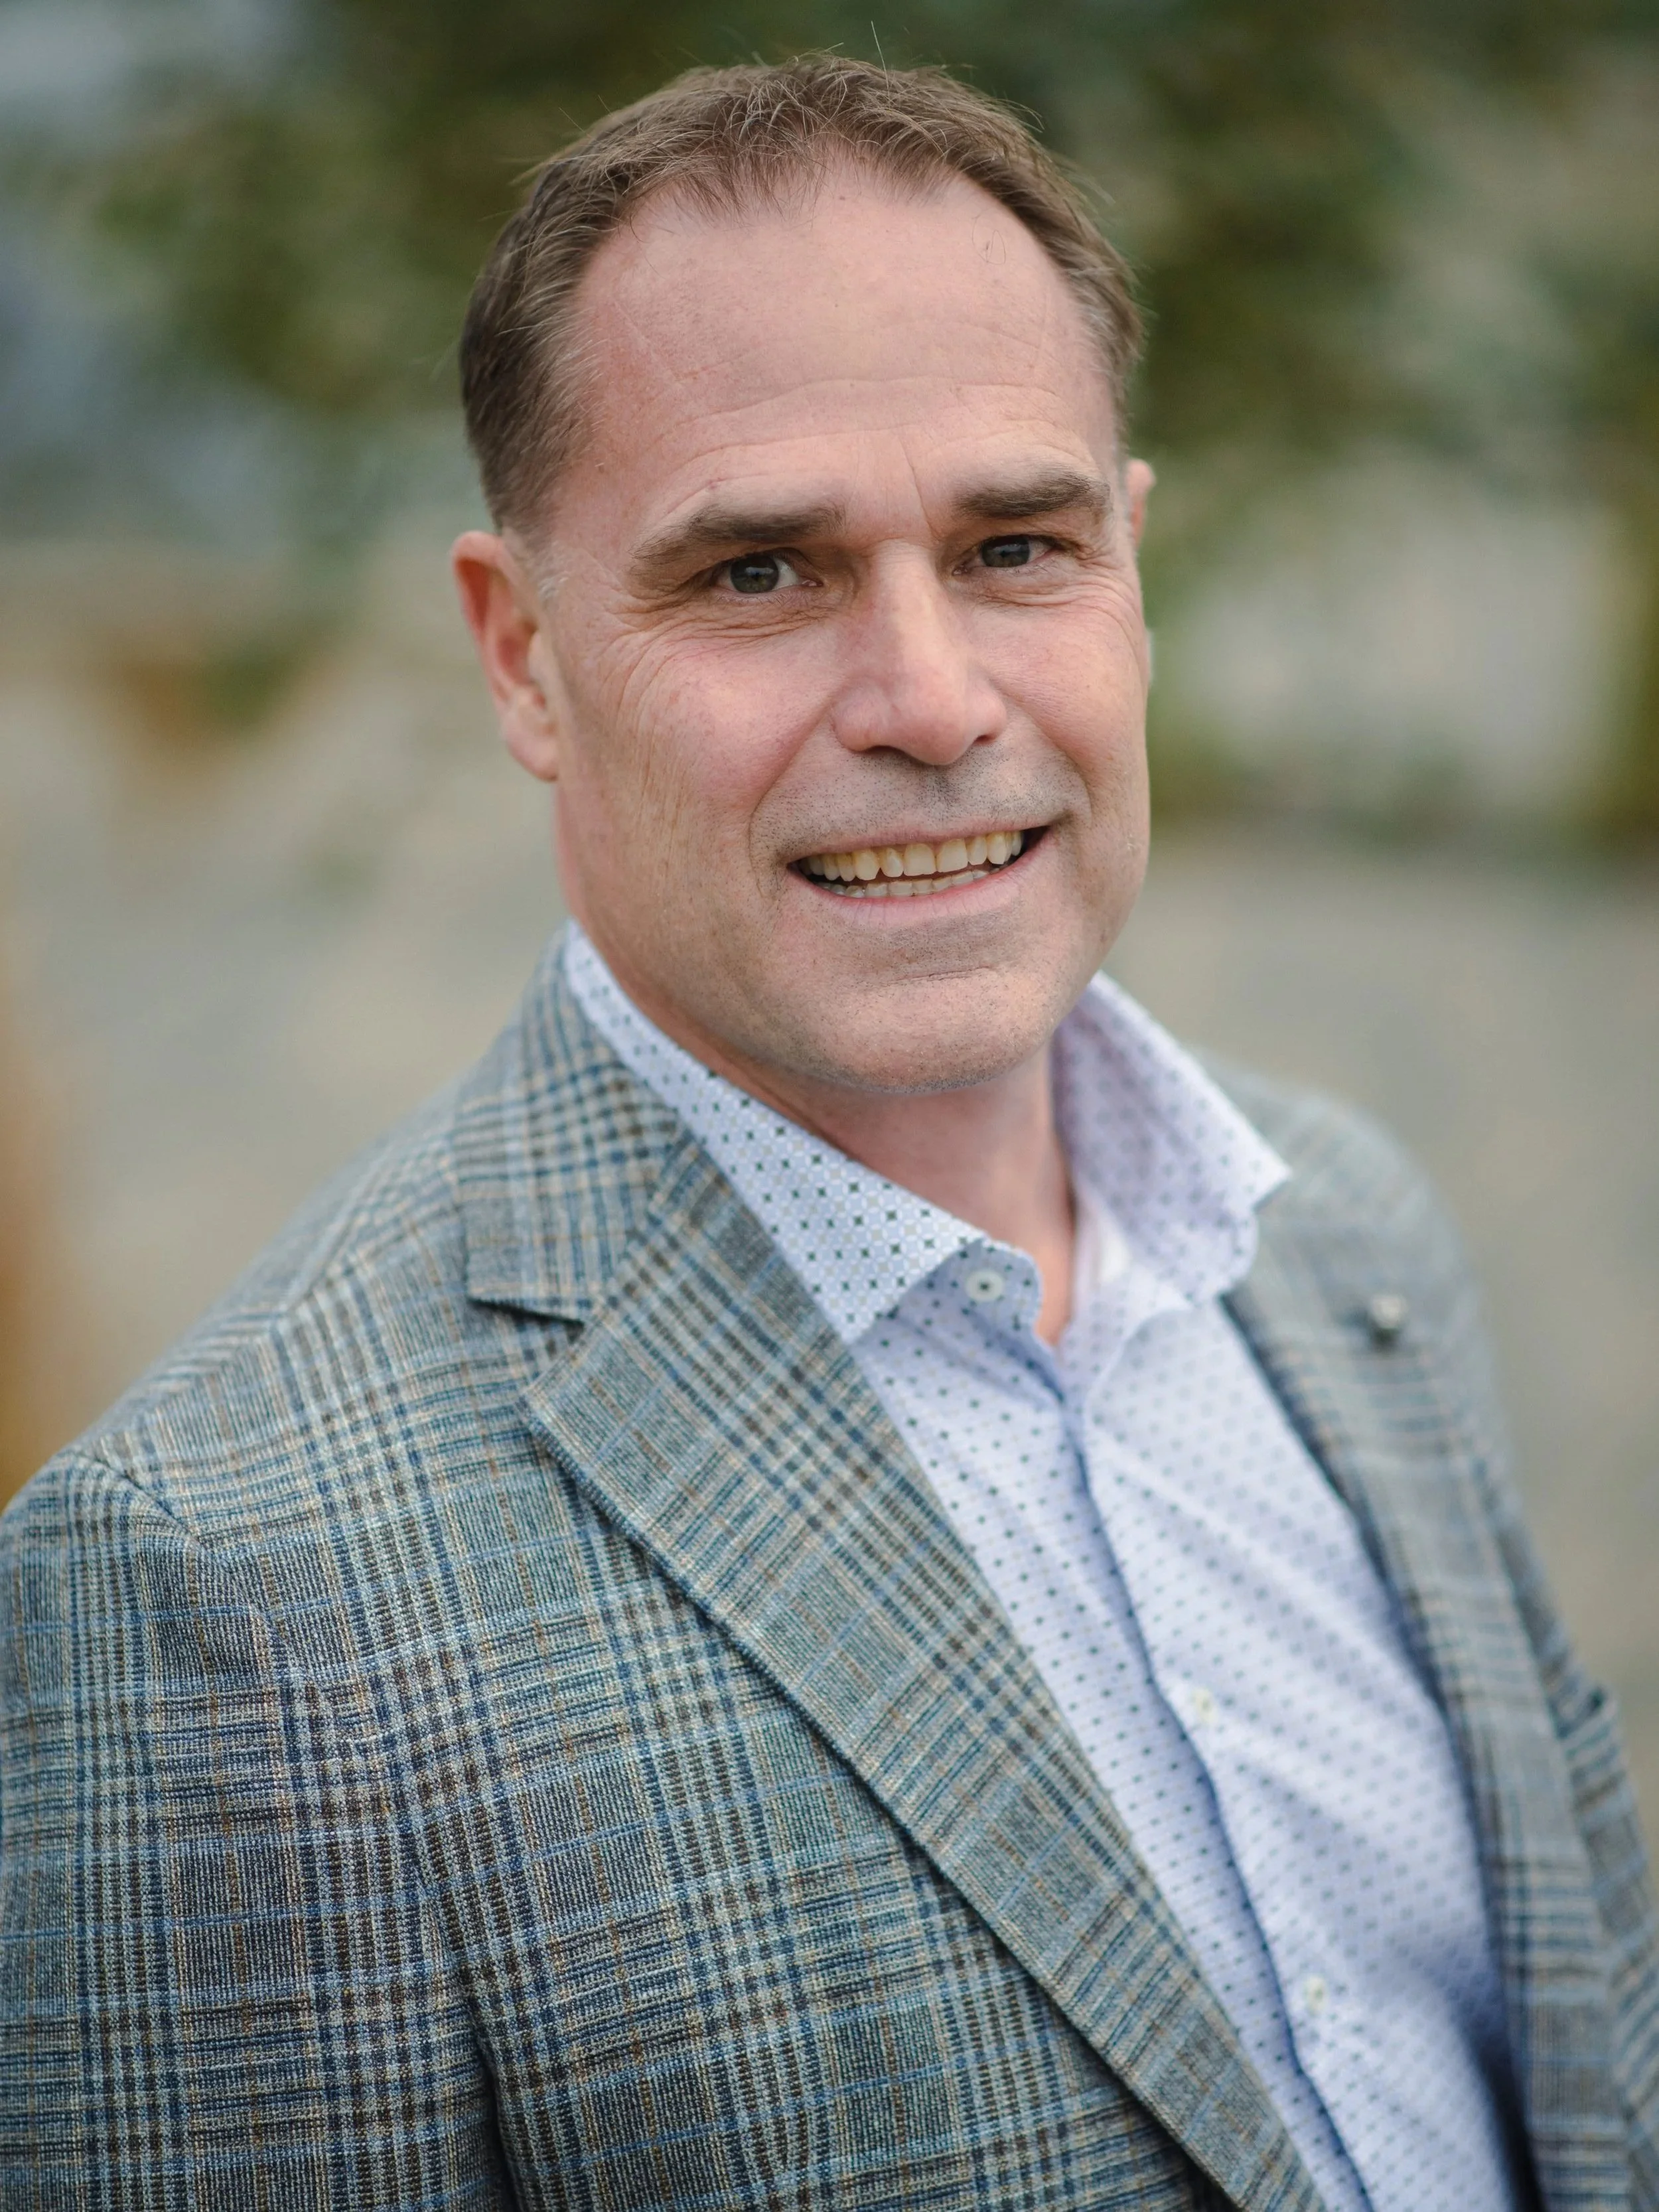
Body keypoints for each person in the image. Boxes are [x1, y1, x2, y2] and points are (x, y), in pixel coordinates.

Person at [2, 56, 1654, 2212]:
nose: (933, 696)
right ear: (520, 656)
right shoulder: (217, 1585)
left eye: (1015, 546)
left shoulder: (1346, 1235)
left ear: (1130, 571)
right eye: (762, 571)